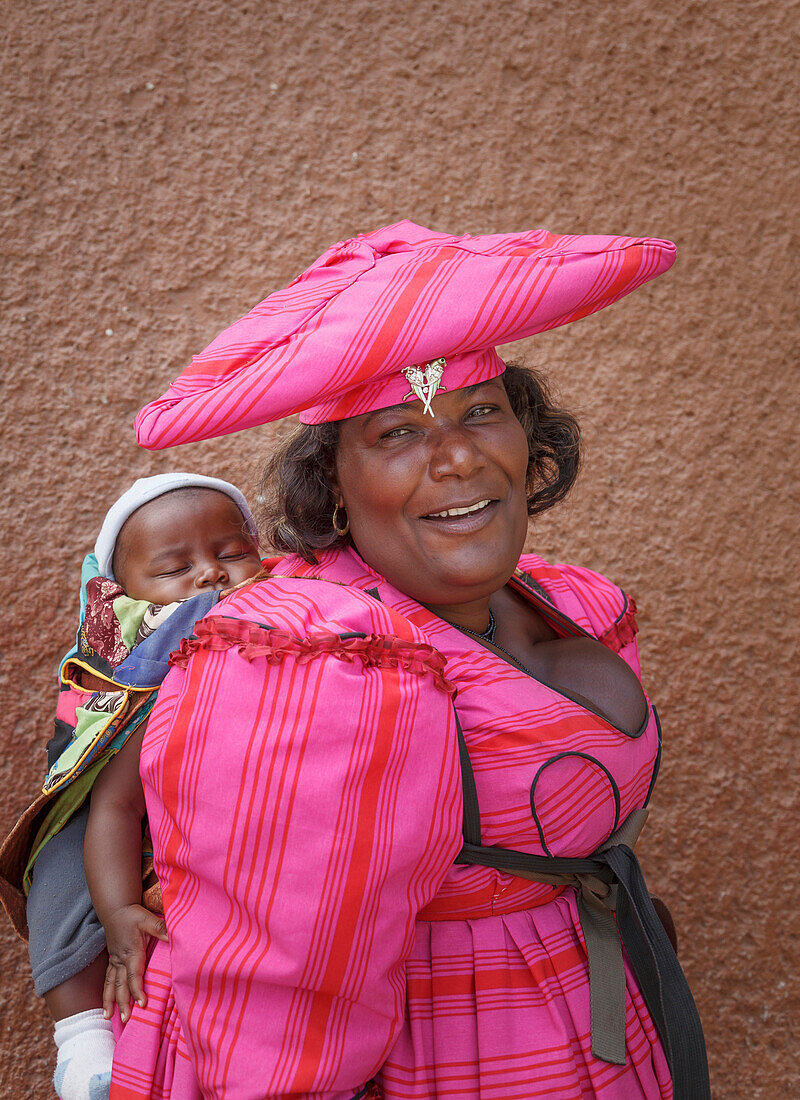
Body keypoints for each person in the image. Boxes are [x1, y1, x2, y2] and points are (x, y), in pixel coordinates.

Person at [107, 222, 709, 1098]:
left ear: (527, 438)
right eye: (396, 433)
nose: (457, 456)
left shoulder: (571, 601)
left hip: (596, 1033)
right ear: (334, 487)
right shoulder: (320, 660)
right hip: (442, 1060)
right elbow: (275, 1007)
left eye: (481, 413)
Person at [13, 473, 262, 1100]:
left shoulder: (289, 622)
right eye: (176, 567)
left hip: (233, 828)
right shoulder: (149, 667)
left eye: (231, 553)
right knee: (59, 869)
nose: (209, 575)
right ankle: (82, 1043)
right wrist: (121, 912)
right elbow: (115, 804)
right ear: (122, 594)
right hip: (115, 815)